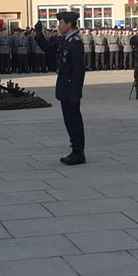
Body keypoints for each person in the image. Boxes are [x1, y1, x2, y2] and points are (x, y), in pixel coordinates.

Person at [34, 11, 86, 165]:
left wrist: (76, 92)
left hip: (70, 88)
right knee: (69, 120)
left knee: (73, 121)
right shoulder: (64, 40)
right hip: (64, 86)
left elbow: (79, 70)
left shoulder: (75, 43)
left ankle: (78, 152)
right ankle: (75, 150)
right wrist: (38, 33)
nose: (59, 27)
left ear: (69, 24)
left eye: (61, 24)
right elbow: (46, 48)